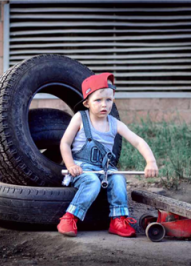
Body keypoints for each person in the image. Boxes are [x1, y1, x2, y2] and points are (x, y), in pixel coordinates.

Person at [58, 72, 158, 238]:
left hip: (105, 169)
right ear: (87, 103)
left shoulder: (114, 123)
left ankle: (118, 220)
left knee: (118, 179)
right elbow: (65, 144)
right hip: (82, 167)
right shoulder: (80, 118)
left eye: (109, 100)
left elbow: (138, 141)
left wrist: (151, 162)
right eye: (98, 100)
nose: (104, 104)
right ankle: (70, 217)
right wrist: (70, 165)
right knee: (92, 183)